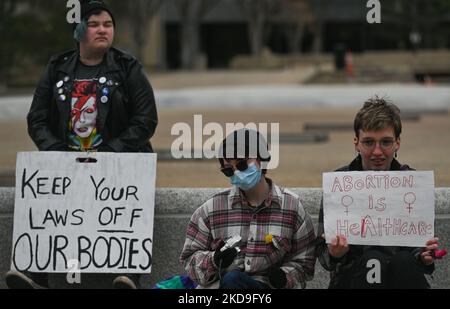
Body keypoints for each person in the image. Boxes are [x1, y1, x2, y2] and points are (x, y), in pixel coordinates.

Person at [6, 0, 158, 289]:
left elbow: (146, 120)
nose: (103, 30)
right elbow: (36, 118)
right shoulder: (57, 67)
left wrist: (110, 153)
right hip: (66, 167)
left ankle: (128, 276)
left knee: (123, 216)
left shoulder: (127, 68)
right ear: (78, 31)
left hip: (119, 166)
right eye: (94, 24)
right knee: (46, 208)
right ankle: (34, 273)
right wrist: (55, 154)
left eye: (108, 24)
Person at [316, 96, 441, 289]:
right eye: (368, 142)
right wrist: (335, 253)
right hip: (353, 278)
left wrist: (425, 256)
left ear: (398, 143)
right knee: (372, 260)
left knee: (403, 261)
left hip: (402, 273)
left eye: (386, 142)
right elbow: (323, 256)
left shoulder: (413, 184)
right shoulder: (339, 184)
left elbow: (421, 247)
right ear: (356, 142)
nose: (377, 151)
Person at [180, 129, 316, 289]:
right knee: (232, 279)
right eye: (228, 170)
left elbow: (304, 263)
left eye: (242, 164)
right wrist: (214, 260)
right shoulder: (210, 210)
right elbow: (189, 259)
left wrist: (284, 278)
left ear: (262, 159)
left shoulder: (293, 208)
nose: (237, 172)